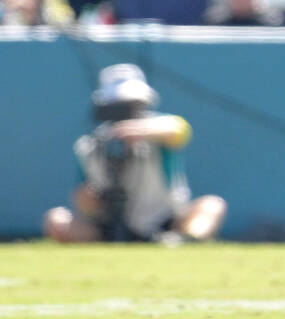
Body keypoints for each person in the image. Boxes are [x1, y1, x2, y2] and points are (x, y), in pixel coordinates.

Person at [42, 64, 226, 243]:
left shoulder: (159, 133)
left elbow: (179, 128)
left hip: (164, 221)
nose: (126, 112)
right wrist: (89, 202)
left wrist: (139, 131)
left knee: (211, 206)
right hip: (110, 225)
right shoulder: (90, 146)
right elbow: (83, 196)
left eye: (132, 105)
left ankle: (185, 241)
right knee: (56, 220)